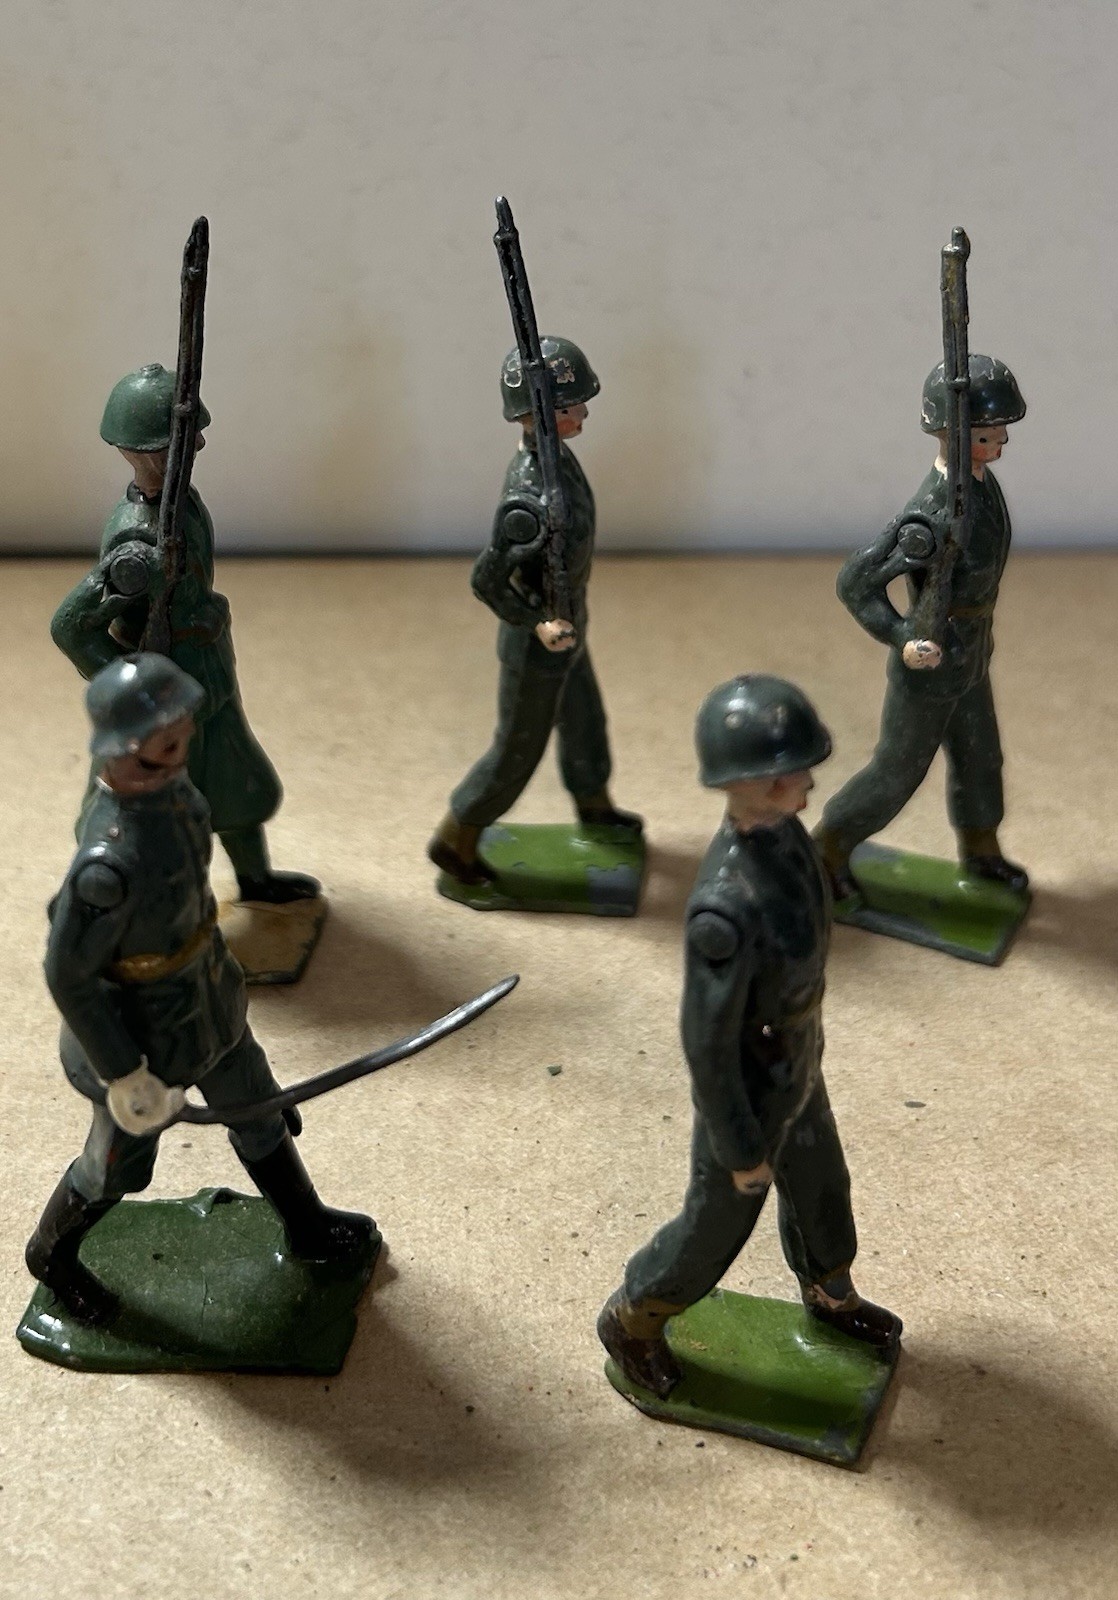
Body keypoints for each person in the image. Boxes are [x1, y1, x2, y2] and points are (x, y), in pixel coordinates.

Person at [25, 654, 373, 1325]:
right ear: (124, 750)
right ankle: (51, 1255)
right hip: (141, 1039)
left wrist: (224, 985)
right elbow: (68, 974)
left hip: (210, 1002)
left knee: (260, 1110)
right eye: (168, 742)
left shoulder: (180, 800)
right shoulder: (106, 865)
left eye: (183, 735)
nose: (183, 748)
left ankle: (308, 1225)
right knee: (115, 1166)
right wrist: (125, 1074)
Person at [598, 675, 900, 1399]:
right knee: (718, 1224)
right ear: (741, 784)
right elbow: (707, 1042)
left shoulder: (789, 842)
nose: (807, 781)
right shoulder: (724, 908)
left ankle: (830, 1292)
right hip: (749, 1086)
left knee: (822, 1185)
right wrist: (738, 1148)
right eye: (785, 774)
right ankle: (636, 1316)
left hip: (797, 1060)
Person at [50, 363, 318, 904]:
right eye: (185, 436)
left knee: (236, 784)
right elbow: (71, 627)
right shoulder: (135, 543)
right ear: (148, 451)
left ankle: (255, 880)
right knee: (152, 805)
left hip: (207, 678)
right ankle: (132, 903)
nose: (198, 443)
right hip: (168, 699)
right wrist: (136, 688)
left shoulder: (181, 506)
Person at [813, 355, 1028, 898]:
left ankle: (981, 851)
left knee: (981, 757)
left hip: (971, 655)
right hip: (931, 666)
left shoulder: (981, 489)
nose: (1001, 440)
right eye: (987, 433)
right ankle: (826, 850)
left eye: (1000, 430)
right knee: (898, 772)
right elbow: (855, 582)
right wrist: (903, 635)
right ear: (950, 435)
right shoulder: (930, 513)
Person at [428, 337, 640, 885]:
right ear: (537, 415)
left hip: (572, 624)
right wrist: (536, 622)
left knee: (585, 722)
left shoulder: (558, 466)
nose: (584, 413)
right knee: (517, 751)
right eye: (572, 406)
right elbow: (487, 580)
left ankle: (594, 804)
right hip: (539, 643)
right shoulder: (529, 498)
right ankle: (457, 836)